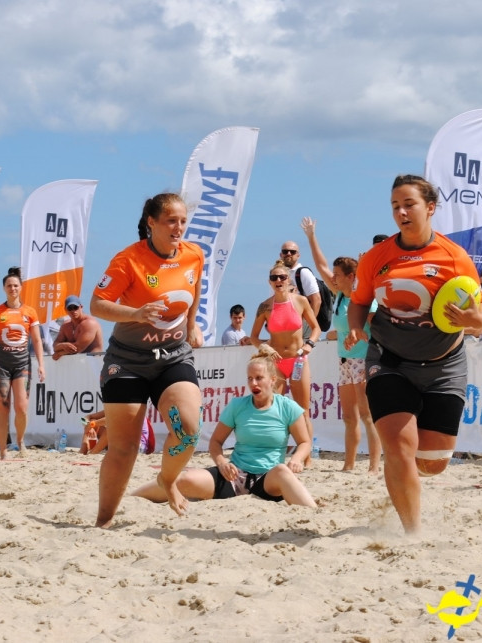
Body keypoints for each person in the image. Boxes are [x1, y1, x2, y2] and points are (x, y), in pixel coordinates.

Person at [345, 174, 482, 533]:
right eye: (395, 206)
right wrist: (356, 327)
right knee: (399, 446)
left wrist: (477, 318)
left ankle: (409, 482)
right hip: (389, 359)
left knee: (433, 462)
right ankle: (412, 533)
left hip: (445, 364)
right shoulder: (376, 258)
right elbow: (360, 301)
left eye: (409, 204)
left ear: (430, 207)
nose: (401, 212)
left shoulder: (454, 258)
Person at [90, 192, 205, 526]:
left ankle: (166, 480)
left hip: (172, 358)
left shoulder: (194, 255)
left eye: (183, 220)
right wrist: (136, 313)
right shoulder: (129, 260)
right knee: (124, 449)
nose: (179, 227)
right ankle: (103, 520)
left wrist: (192, 324)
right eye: (171, 220)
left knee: (187, 429)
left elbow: (195, 290)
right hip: (127, 362)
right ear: (151, 223)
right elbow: (97, 305)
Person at [131, 349, 316, 508]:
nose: (253, 384)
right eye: (250, 379)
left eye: (259, 378)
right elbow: (216, 443)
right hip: (233, 476)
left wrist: (297, 459)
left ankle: (313, 512)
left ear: (273, 380)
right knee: (184, 479)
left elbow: (304, 442)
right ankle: (132, 497)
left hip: (268, 480)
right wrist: (222, 463)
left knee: (283, 471)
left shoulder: (287, 407)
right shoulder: (238, 405)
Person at [301, 216, 381, 474]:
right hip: (345, 360)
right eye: (332, 275)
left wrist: (356, 335)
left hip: (363, 359)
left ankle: (373, 465)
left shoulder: (362, 298)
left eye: (337, 275)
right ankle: (348, 465)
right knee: (349, 417)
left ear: (350, 276)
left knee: (368, 415)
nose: (332, 278)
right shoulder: (338, 297)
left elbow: (378, 331)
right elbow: (321, 265)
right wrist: (312, 237)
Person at [249, 262, 321, 464]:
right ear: (269, 282)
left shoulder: (300, 301)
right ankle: (274, 455)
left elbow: (316, 329)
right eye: (274, 278)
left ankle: (305, 458)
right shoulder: (265, 306)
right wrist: (266, 348)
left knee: (302, 410)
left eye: (282, 277)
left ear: (289, 280)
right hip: (276, 363)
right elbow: (254, 337)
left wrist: (310, 345)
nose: (278, 281)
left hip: (298, 360)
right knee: (274, 409)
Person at [0, 266, 46, 459]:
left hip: (22, 365)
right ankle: (3, 451)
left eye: (15, 285)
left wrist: (41, 365)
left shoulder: (30, 312)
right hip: (1, 364)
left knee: (21, 408)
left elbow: (36, 340)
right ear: (4, 288)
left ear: (21, 288)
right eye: (9, 286)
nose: (12, 289)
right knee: (3, 409)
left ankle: (20, 441)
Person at [279, 240, 322, 335]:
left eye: (293, 252)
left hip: (302, 330)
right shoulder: (278, 276)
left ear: (298, 255)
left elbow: (316, 300)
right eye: (285, 251)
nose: (288, 254)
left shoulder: (303, 273)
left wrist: (307, 327)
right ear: (281, 254)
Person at [52, 295, 104, 359]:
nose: (73, 311)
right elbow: (55, 346)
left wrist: (60, 353)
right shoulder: (66, 325)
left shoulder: (89, 323)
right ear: (65, 309)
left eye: (75, 307)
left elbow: (77, 348)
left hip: (93, 363)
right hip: (76, 363)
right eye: (70, 308)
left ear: (81, 307)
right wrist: (62, 345)